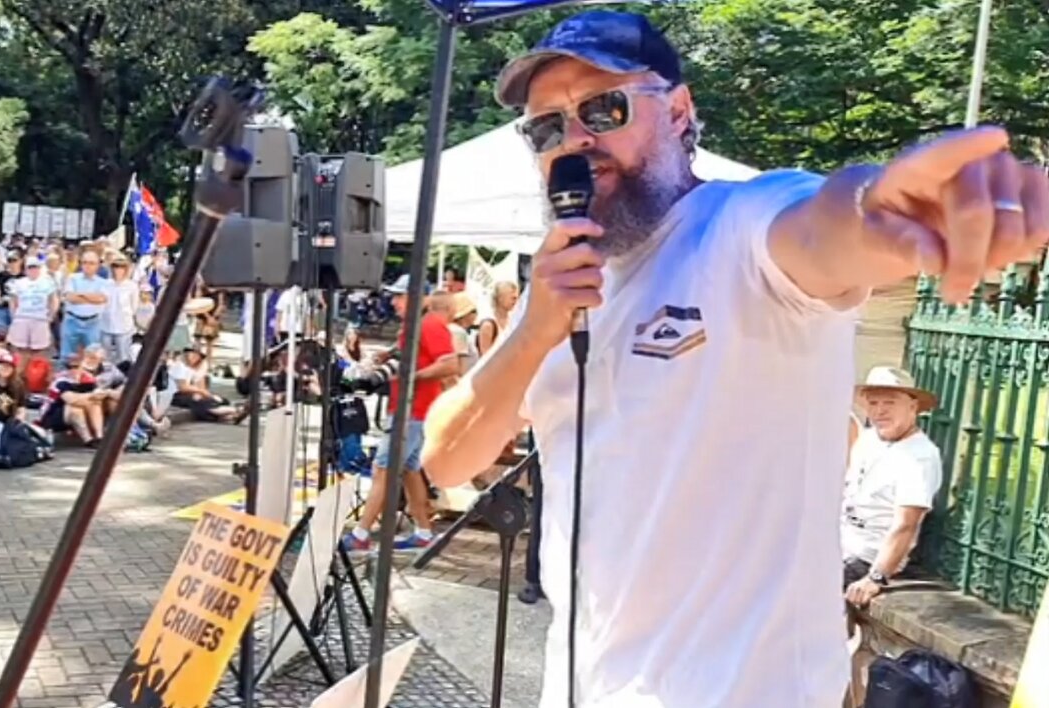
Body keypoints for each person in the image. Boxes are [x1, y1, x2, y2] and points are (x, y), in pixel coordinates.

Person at [420, 11, 1049, 707]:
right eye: (547, 127)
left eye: (604, 106)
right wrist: (535, 327)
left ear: (680, 112)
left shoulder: (740, 224)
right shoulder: (557, 289)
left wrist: (890, 210)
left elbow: (826, 228)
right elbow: (447, 461)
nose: (577, 140)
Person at [343, 273, 459, 552]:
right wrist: (390, 355)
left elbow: (450, 364)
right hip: (413, 410)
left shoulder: (430, 325)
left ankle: (361, 534)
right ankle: (423, 532)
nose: (393, 301)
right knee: (409, 470)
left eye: (399, 296)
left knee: (383, 468)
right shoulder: (416, 326)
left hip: (413, 411)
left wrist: (411, 377)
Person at [842, 367, 943, 607]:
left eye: (890, 402)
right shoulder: (868, 440)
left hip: (866, 557)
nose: (880, 410)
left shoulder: (920, 456)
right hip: (838, 546)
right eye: (874, 402)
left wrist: (875, 578)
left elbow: (905, 524)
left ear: (913, 406)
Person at [60, 248, 109, 364]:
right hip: (72, 320)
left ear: (98, 265)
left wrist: (80, 294)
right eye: (85, 262)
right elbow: (71, 298)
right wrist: (91, 297)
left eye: (91, 263)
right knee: (68, 357)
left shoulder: (103, 282)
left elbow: (101, 299)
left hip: (93, 322)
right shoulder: (72, 278)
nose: (87, 266)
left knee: (93, 356)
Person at [476, 280, 519, 358]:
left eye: (516, 298)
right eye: (512, 298)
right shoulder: (488, 325)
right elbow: (485, 357)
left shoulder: (514, 320)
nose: (515, 301)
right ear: (500, 298)